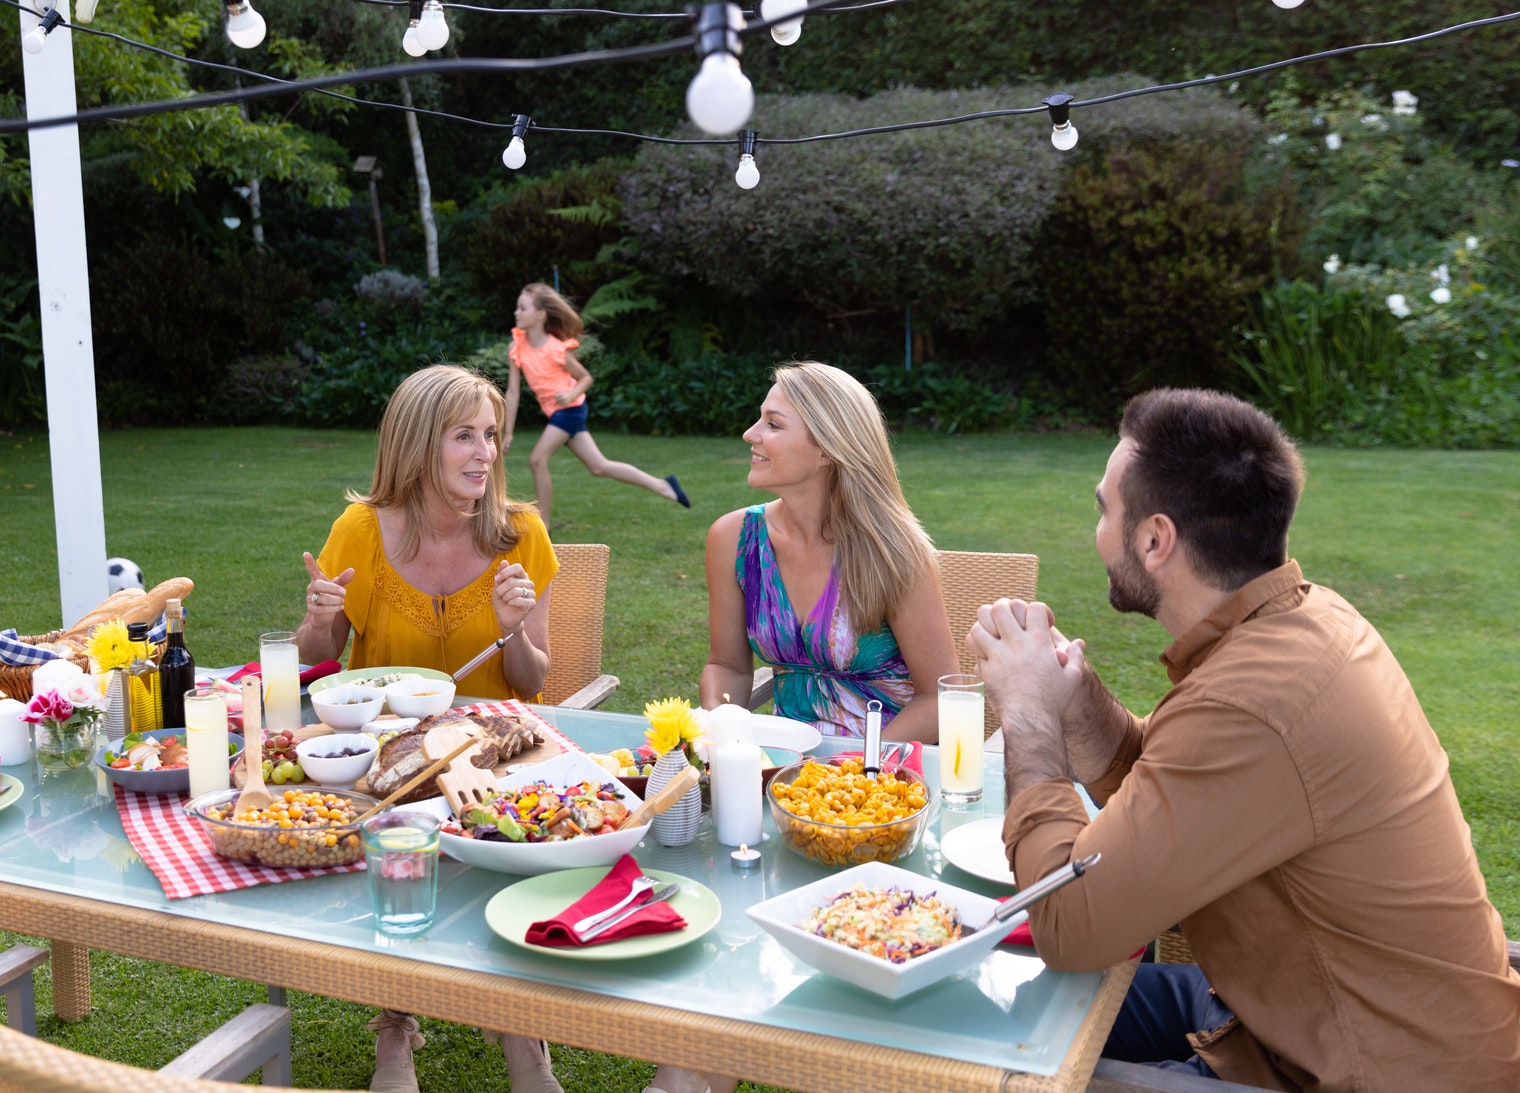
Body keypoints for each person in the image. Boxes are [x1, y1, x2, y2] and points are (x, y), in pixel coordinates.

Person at [970, 388, 1520, 1090]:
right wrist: (1077, 701)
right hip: (1281, 1018)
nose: (1099, 531)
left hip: (1367, 1071)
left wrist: (1025, 712)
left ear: (1154, 539)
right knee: (995, 989)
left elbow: (1068, 925)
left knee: (1000, 1071)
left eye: (1104, 508)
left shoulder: (1251, 699)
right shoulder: (1306, 624)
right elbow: (1184, 792)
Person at [295, 363, 561, 1093]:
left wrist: (513, 632)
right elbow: (319, 657)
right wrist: (319, 619)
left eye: (492, 437)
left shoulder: (520, 533)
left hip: (497, 758)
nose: (486, 454)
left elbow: (536, 682)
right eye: (464, 437)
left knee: (500, 837)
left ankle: (521, 1032)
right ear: (417, 446)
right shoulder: (360, 530)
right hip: (389, 758)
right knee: (401, 825)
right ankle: (395, 1020)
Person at [699, 362, 955, 741]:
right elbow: (728, 666)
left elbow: (938, 699)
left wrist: (856, 769)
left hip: (884, 771)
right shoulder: (735, 538)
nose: (749, 434)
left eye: (773, 424)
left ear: (826, 450)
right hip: (783, 761)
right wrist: (719, 732)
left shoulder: (892, 551)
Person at [502, 282, 689, 529]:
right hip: (559, 412)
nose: (517, 312)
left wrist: (569, 396)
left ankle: (543, 525)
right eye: (517, 307)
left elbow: (586, 378)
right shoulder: (517, 347)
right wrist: (508, 431)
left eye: (523, 308)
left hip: (570, 410)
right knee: (599, 467)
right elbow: (513, 392)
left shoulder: (556, 349)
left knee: (537, 459)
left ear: (540, 314)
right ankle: (663, 485)